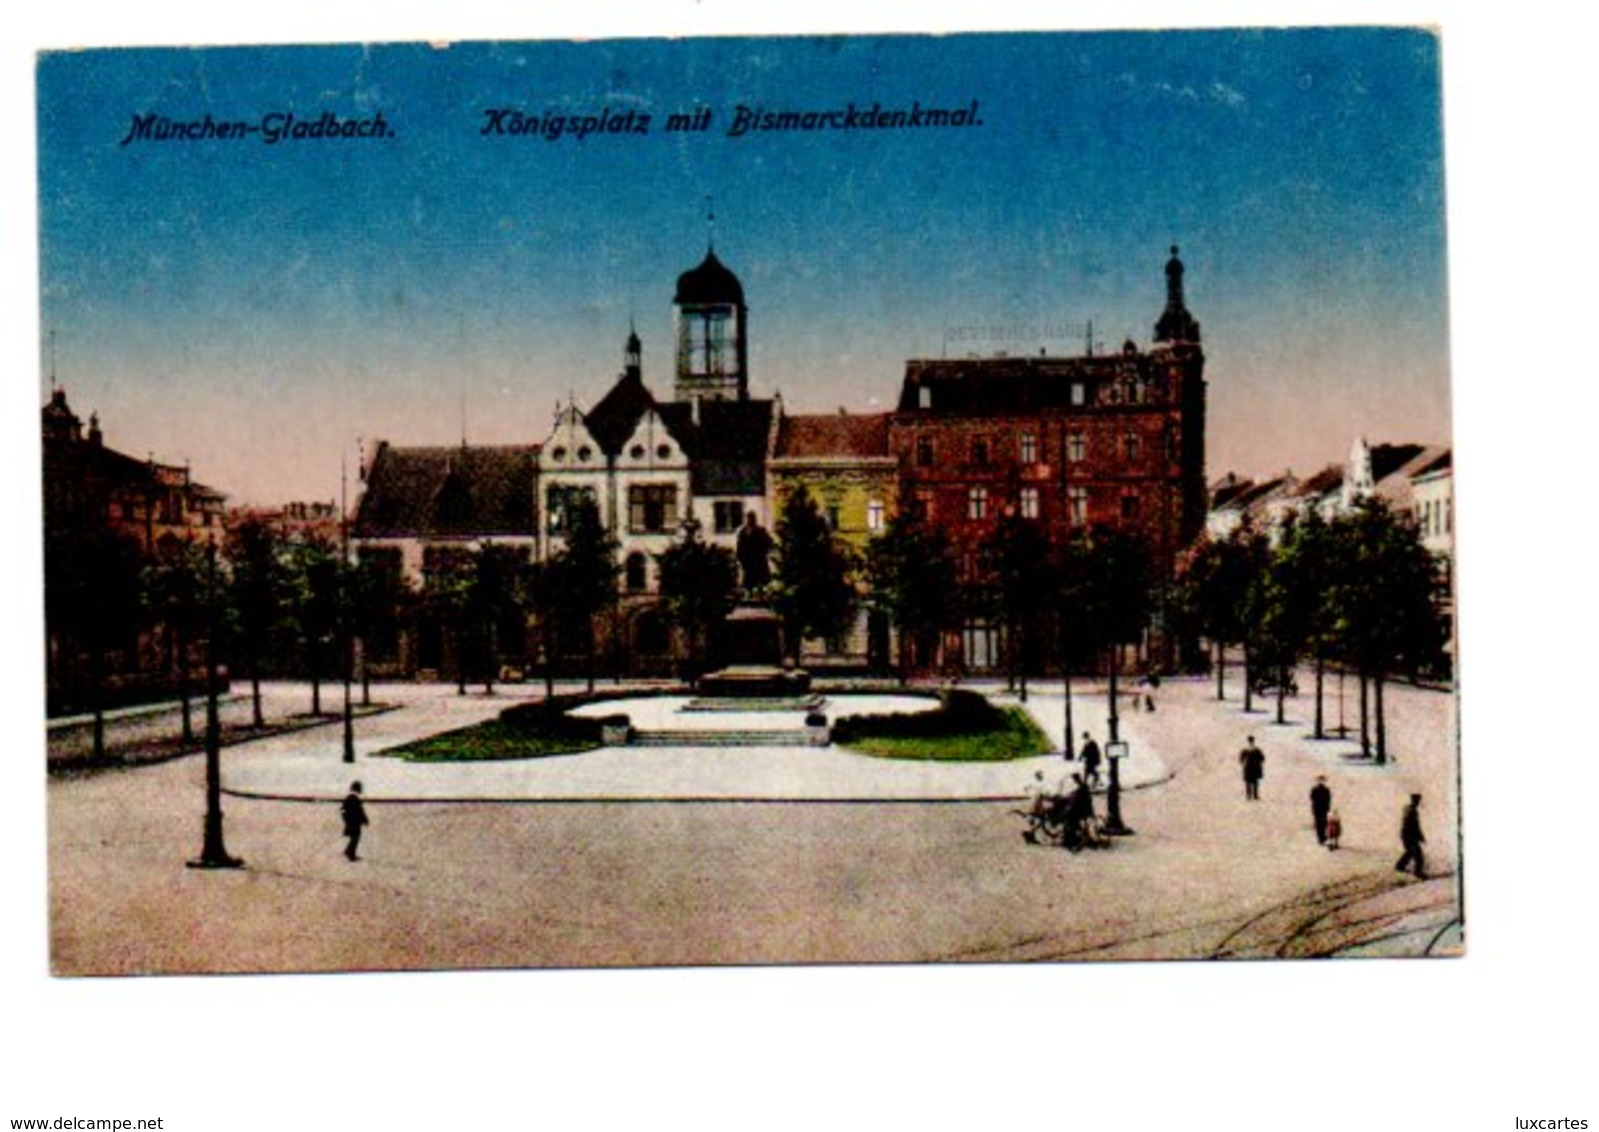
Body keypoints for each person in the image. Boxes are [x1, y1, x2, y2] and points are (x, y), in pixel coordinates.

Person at [1396, 794, 1426, 878]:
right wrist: (1420, 836)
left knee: (1410, 852)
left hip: (1405, 834)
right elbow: (1415, 826)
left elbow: (1411, 824)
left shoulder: (1406, 808)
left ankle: (1400, 866)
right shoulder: (1412, 811)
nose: (1418, 802)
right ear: (1415, 801)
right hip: (1409, 835)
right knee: (1418, 855)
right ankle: (1417, 872)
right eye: (1418, 800)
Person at [1063, 772, 1096, 849]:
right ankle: (1075, 836)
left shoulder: (1081, 789)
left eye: (1074, 780)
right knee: (1071, 819)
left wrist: (1069, 805)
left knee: (1069, 819)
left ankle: (1071, 839)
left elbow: (1076, 801)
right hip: (1083, 810)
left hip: (1082, 811)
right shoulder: (1082, 787)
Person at [341, 781, 370, 862]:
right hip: (354, 822)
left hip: (351, 821)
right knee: (355, 838)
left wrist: (346, 819)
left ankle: (348, 851)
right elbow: (360, 811)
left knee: (354, 837)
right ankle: (351, 854)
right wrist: (365, 820)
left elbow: (343, 810)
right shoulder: (355, 799)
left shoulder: (349, 798)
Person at [1239, 736, 1265, 800]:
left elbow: (1241, 759)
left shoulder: (1246, 750)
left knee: (1250, 782)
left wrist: (1244, 762)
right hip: (1254, 767)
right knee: (1254, 782)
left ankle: (1250, 796)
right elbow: (1262, 758)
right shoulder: (1256, 750)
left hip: (1249, 767)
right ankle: (1254, 795)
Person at [1310, 776, 1333, 843]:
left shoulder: (1314, 789)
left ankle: (1320, 838)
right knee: (1323, 823)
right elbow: (1328, 799)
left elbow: (1312, 798)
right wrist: (1328, 807)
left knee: (1319, 823)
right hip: (1323, 808)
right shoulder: (1326, 790)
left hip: (1317, 808)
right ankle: (1322, 837)